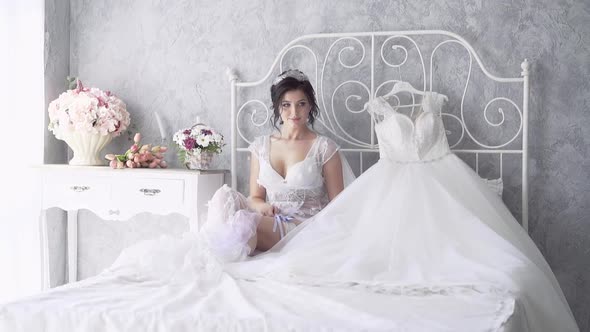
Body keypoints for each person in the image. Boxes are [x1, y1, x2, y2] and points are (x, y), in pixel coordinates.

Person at [202, 69, 355, 262]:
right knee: (223, 196)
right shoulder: (261, 147)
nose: (294, 112)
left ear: (310, 106)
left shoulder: (324, 148)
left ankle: (222, 257)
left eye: (301, 104)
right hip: (269, 219)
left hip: (303, 228)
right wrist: (263, 206)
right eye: (286, 105)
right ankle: (218, 252)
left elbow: (338, 205)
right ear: (277, 107)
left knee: (245, 222)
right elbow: (256, 197)